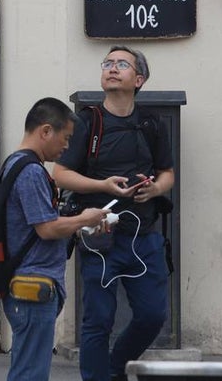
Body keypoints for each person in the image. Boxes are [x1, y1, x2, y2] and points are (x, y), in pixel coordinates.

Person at [53, 46, 176, 381]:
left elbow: (167, 173)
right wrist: (104, 186)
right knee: (98, 320)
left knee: (152, 315)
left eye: (122, 64)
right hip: (99, 236)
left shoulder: (151, 123)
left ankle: (115, 367)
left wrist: (155, 189)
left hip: (145, 236)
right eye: (107, 63)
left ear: (139, 79)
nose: (112, 69)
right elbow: (60, 174)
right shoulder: (86, 122)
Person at [3, 98, 110, 381]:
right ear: (46, 131)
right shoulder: (30, 171)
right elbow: (46, 229)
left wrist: (79, 227)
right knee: (31, 374)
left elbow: (38, 226)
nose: (66, 148)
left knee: (28, 369)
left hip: (31, 284)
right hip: (33, 285)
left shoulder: (16, 164)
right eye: (66, 139)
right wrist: (84, 219)